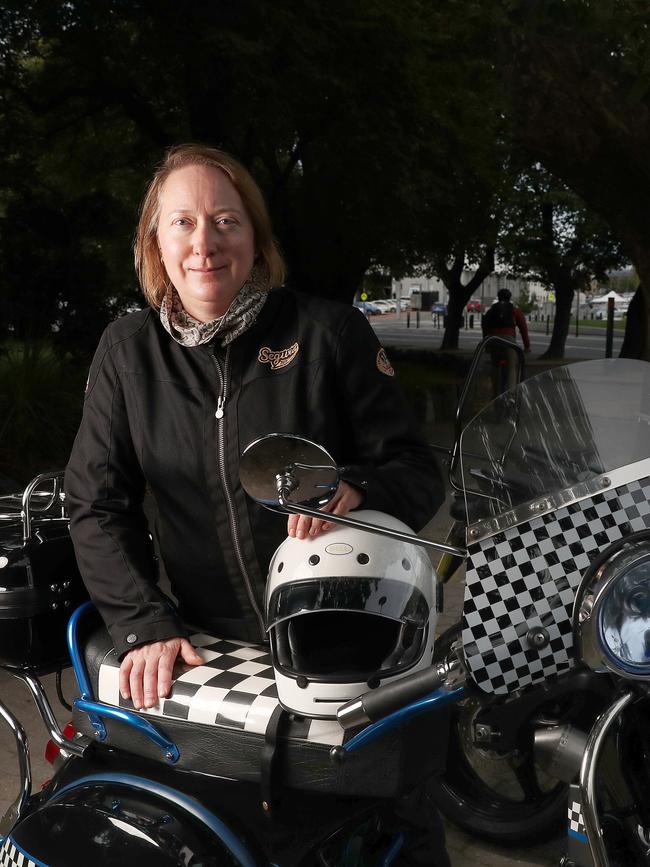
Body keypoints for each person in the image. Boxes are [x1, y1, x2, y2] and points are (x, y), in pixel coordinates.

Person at [65, 142, 448, 863]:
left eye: (226, 220)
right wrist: (144, 620)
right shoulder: (128, 351)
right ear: (155, 242)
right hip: (210, 647)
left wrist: (358, 488)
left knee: (389, 825)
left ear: (257, 238)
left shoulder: (327, 332)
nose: (204, 243)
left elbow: (418, 468)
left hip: (348, 647)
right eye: (182, 222)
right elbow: (95, 502)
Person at [481, 287, 530, 393]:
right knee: (512, 366)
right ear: (509, 298)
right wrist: (527, 346)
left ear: (498, 297)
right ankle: (511, 394)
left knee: (495, 364)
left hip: (494, 339)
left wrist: (487, 344)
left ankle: (495, 393)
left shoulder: (492, 309)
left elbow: (485, 325)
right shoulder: (514, 310)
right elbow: (523, 328)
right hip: (509, 340)